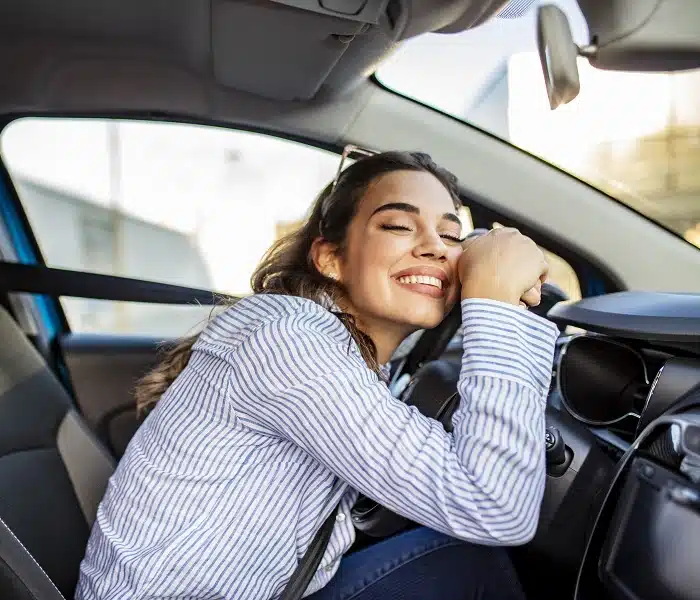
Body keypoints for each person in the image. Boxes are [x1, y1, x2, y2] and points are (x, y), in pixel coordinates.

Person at [75, 151, 559, 600]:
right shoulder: (290, 340)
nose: (435, 247)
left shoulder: (347, 351)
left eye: (452, 236)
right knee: (471, 563)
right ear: (330, 258)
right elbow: (496, 507)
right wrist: (493, 304)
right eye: (398, 225)